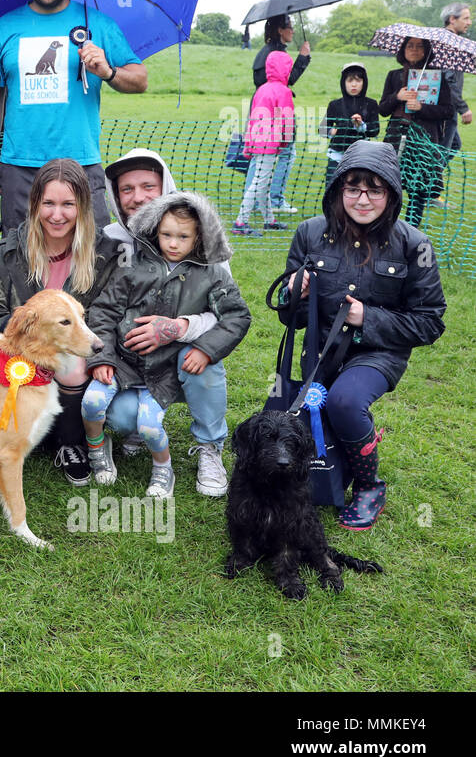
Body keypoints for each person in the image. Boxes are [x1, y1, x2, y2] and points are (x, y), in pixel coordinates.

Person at [278, 141, 445, 529]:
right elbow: (293, 316)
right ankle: (331, 473)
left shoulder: (415, 244)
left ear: (392, 192)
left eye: (375, 188)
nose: (363, 198)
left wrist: (365, 317)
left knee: (346, 401)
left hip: (379, 352)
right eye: (353, 187)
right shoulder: (309, 233)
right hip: (320, 350)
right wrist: (293, 290)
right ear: (338, 190)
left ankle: (370, 486)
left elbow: (430, 321)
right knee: (308, 417)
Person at [0, 159, 123, 484]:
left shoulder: (105, 255)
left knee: (72, 365)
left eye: (68, 204)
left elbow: (111, 316)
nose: (57, 214)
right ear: (34, 205)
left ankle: (70, 443)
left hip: (71, 357)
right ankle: (24, 429)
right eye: (48, 203)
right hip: (18, 356)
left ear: (83, 207)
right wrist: (37, 335)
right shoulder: (7, 254)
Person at [83, 191, 251, 498]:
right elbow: (104, 311)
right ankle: (116, 437)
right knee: (108, 411)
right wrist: (103, 357)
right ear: (154, 232)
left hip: (166, 370)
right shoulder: (133, 265)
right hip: (124, 365)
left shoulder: (211, 274)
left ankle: (207, 447)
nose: (173, 244)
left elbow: (237, 316)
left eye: (183, 237)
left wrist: (205, 348)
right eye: (166, 235)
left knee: (156, 416)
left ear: (199, 237)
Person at [0, 0, 147, 232]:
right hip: (19, 166)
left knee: (92, 259)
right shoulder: (3, 28)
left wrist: (108, 71)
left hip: (81, 163)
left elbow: (140, 80)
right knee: (20, 261)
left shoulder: (98, 24)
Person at [102, 149, 233, 493]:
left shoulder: (200, 234)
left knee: (203, 359)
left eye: (148, 185)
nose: (137, 196)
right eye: (126, 189)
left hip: (183, 351)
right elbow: (99, 307)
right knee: (118, 415)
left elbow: (226, 316)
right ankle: (136, 425)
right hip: (132, 359)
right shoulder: (109, 239)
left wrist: (179, 328)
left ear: (166, 186)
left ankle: (210, 446)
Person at [379, 36, 453, 225]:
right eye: (410, 45)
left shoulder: (437, 77)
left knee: (418, 187)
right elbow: (383, 109)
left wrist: (422, 108)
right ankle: (387, 227)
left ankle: (411, 229)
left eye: (419, 46)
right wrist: (398, 96)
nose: (414, 49)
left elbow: (448, 110)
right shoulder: (394, 75)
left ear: (427, 51)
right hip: (397, 136)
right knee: (389, 183)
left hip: (424, 139)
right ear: (402, 49)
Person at [250, 15, 311, 216]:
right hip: (275, 111)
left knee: (258, 158)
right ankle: (274, 199)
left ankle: (255, 199)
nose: (292, 31)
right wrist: (303, 58)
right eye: (289, 27)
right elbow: (287, 81)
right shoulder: (274, 53)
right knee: (287, 152)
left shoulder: (266, 51)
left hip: (261, 108)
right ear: (280, 30)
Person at [234, 50, 295, 236]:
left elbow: (253, 118)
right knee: (260, 182)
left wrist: (248, 144)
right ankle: (240, 222)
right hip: (269, 144)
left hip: (258, 141)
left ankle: (269, 221)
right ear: (286, 70)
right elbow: (286, 119)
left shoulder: (261, 89)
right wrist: (285, 140)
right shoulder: (284, 91)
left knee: (264, 182)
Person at [318, 62, 380, 188]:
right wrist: (332, 131)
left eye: (358, 80)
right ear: (343, 82)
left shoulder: (371, 104)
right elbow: (322, 129)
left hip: (361, 156)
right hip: (337, 155)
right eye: (349, 80)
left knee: (355, 189)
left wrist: (361, 126)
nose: (353, 84)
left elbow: (375, 130)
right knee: (332, 188)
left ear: (364, 82)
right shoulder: (335, 104)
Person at [437, 2, 472, 173]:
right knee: (441, 152)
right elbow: (448, 81)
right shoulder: (451, 44)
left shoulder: (447, 40)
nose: (470, 22)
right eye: (466, 18)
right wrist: (463, 108)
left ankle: (427, 187)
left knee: (454, 144)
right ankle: (426, 191)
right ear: (452, 19)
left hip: (444, 107)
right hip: (445, 108)